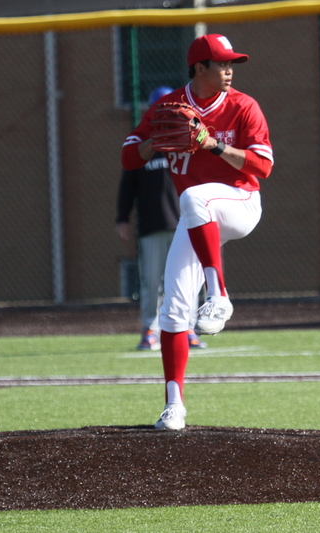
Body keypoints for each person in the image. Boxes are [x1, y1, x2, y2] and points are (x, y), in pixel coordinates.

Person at [120, 34, 274, 430]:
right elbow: (128, 156)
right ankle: (174, 406)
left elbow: (262, 167)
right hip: (197, 218)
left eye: (231, 64)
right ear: (199, 68)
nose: (229, 71)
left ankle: (218, 294)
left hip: (240, 204)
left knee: (194, 197)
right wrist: (154, 143)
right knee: (173, 308)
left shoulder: (243, 105)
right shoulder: (168, 107)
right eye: (221, 64)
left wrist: (212, 145)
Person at [116, 86, 208, 350]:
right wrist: (122, 218)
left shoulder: (188, 143)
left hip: (187, 224)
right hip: (152, 225)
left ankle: (188, 328)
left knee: (188, 280)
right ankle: (150, 329)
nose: (166, 116)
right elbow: (127, 185)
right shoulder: (143, 147)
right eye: (160, 110)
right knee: (152, 281)